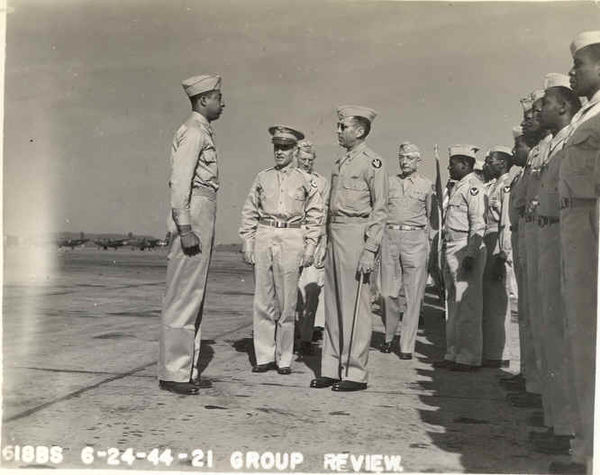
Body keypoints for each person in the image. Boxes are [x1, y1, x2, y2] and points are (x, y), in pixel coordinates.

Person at [310, 105, 388, 392]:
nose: (338, 131)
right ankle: (331, 368)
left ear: (360, 130)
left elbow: (380, 210)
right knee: (332, 304)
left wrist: (370, 250)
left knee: (356, 306)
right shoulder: (340, 163)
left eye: (343, 126)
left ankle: (355, 372)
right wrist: (322, 240)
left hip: (357, 234)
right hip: (336, 234)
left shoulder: (373, 163)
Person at [551, 31, 600, 475]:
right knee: (581, 339)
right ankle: (584, 449)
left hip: (592, 226)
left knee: (593, 342)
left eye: (580, 65)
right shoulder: (589, 116)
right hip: (576, 225)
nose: (573, 73)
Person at [158, 74, 225, 395]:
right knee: (183, 296)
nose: (222, 103)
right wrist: (185, 227)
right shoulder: (194, 133)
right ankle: (173, 373)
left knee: (193, 297)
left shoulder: (202, 132)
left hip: (203, 212)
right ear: (203, 101)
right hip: (193, 213)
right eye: (218, 97)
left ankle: (186, 370)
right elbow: (180, 183)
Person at [239, 126, 323, 375]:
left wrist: (310, 246)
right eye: (276, 146)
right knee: (263, 299)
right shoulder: (262, 177)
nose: (279, 151)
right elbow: (249, 210)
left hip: (292, 235)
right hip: (265, 234)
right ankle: (263, 356)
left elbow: (315, 215)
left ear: (295, 150)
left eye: (285, 147)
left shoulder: (306, 180)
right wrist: (247, 241)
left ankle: (284, 357)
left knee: (287, 302)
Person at [530, 73, 581, 457]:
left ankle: (569, 431)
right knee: (549, 327)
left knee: (567, 333)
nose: (538, 110)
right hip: (548, 231)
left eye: (544, 104)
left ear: (562, 106)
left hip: (569, 232)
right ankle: (557, 420)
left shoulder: (578, 131)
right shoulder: (551, 145)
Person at [379, 142, 434, 359]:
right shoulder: (389, 183)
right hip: (390, 237)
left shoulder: (426, 185)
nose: (404, 161)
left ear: (418, 161)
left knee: (413, 295)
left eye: (409, 158)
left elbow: (431, 218)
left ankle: (407, 346)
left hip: (415, 239)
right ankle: (388, 336)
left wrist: (428, 244)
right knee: (386, 293)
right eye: (401, 157)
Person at [433, 145, 486, 372]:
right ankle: (453, 353)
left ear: (465, 164)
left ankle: (469, 357)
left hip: (465, 246)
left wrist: (471, 253)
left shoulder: (473, 187)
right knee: (452, 305)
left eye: (452, 163)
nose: (449, 167)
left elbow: (478, 224)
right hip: (451, 246)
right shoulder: (457, 188)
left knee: (468, 305)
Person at [295, 140, 330, 356]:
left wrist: (324, 242)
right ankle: (290, 334)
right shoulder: (288, 179)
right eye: (303, 159)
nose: (307, 163)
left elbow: (324, 214)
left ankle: (306, 338)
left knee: (311, 289)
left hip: (314, 238)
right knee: (290, 290)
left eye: (310, 160)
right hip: (292, 235)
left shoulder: (321, 182)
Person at [481, 146, 514, 368]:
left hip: (498, 247)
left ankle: (499, 354)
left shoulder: (506, 186)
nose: (486, 164)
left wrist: (503, 255)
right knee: (489, 301)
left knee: (498, 302)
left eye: (490, 160)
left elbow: (506, 223)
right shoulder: (493, 185)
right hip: (489, 241)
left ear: (502, 163)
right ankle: (491, 351)